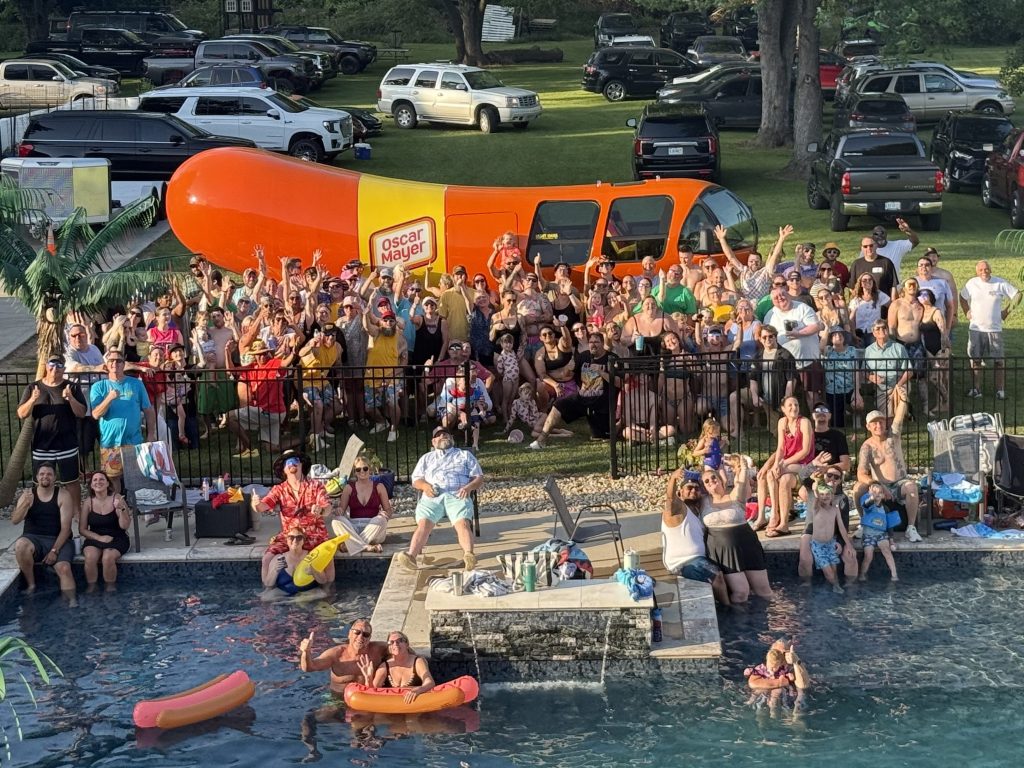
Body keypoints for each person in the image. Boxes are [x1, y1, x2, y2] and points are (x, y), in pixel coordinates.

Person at [396, 426, 485, 572]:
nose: (443, 436)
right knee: (424, 523)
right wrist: (425, 486)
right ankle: (411, 557)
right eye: (439, 435)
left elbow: (479, 477)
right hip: (433, 495)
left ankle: (469, 555)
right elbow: (415, 480)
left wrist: (468, 488)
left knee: (462, 523)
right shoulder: (426, 458)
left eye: (446, 434)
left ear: (452, 438)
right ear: (433, 441)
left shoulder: (464, 455)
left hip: (457, 494)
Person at [17, 354, 88, 517]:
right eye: (52, 364)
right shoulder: (33, 388)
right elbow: (21, 413)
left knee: (71, 482)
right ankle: (40, 514)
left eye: (59, 365)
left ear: (63, 369)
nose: (55, 368)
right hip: (42, 446)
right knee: (41, 482)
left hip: (67, 445)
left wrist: (70, 398)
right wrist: (32, 400)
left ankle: (76, 513)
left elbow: (82, 413)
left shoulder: (71, 387)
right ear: (46, 366)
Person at [699, 460, 772, 603]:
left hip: (748, 546)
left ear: (721, 480)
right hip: (724, 552)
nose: (711, 481)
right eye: (706, 481)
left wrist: (743, 467)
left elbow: (741, 483)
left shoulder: (734, 497)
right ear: (704, 487)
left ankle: (778, 619)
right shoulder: (702, 502)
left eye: (714, 477)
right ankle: (739, 623)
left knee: (764, 591)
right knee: (741, 593)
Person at [253, 450, 331, 573]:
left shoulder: (316, 486)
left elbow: (327, 508)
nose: (292, 464)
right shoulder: (279, 490)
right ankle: (268, 589)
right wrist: (256, 504)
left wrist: (321, 510)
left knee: (327, 561)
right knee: (267, 559)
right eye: (288, 462)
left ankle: (329, 590)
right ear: (284, 469)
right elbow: (262, 507)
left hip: (315, 536)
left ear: (301, 465)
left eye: (295, 461)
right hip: (290, 537)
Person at [90, 349, 156, 493]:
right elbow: (95, 414)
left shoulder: (136, 384)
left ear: (124, 364)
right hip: (110, 443)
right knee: (113, 481)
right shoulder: (98, 387)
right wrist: (109, 398)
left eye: (119, 361)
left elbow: (149, 411)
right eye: (111, 361)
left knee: (137, 478)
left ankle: (137, 510)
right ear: (106, 365)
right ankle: (119, 510)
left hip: (134, 442)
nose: (115, 364)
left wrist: (151, 434)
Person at [529, 332, 612, 448]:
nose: (593, 345)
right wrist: (568, 368)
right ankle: (541, 440)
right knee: (558, 405)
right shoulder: (584, 356)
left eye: (596, 342)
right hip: (583, 397)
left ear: (603, 343)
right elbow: (567, 374)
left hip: (602, 402)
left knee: (602, 437)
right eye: (591, 342)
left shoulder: (611, 359)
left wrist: (601, 372)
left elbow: (618, 382)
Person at [662, 470, 729, 604]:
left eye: (697, 488)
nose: (693, 491)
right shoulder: (676, 511)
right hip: (683, 562)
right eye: (689, 488)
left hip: (699, 559)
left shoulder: (698, 513)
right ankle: (729, 610)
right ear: (680, 492)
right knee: (718, 577)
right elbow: (670, 500)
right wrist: (673, 479)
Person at [853, 410, 922, 542]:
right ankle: (863, 523)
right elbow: (860, 473)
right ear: (868, 426)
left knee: (912, 487)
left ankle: (911, 528)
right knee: (857, 488)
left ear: (885, 423)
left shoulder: (893, 436)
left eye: (881, 421)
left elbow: (900, 416)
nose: (878, 425)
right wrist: (876, 484)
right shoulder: (867, 446)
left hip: (899, 483)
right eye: (874, 423)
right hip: (879, 485)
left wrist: (902, 398)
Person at [960, 259, 1021, 399]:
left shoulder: (999, 283)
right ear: (976, 272)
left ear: (990, 270)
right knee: (975, 360)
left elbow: (1018, 295)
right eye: (981, 270)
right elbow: (962, 297)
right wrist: (966, 312)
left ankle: (1000, 391)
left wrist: (1006, 312)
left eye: (986, 269)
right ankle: (976, 389)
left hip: (994, 329)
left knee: (998, 361)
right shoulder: (972, 283)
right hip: (975, 329)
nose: (984, 272)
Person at [225, 337, 295, 457]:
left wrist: (294, 352)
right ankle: (306, 440)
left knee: (229, 417)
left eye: (264, 353)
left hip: (269, 411)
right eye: (258, 355)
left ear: (267, 353)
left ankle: (249, 448)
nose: (262, 357)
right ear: (254, 356)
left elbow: (285, 363)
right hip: (271, 412)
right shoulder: (251, 367)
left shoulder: (273, 363)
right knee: (272, 448)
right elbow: (231, 370)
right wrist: (227, 351)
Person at [12, 464, 76, 594]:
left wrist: (54, 550)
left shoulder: (63, 495)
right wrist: (25, 504)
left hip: (59, 539)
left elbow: (66, 529)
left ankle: (71, 604)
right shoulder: (28, 495)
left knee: (64, 568)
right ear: (36, 477)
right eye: (42, 474)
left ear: (54, 478)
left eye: (49, 474)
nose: (45, 477)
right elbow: (15, 520)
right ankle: (31, 585)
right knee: (20, 545)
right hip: (33, 538)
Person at [755, 396, 814, 535]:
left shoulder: (804, 422)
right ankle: (766, 516)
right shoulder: (782, 422)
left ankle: (777, 518)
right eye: (790, 405)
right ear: (783, 409)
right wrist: (776, 464)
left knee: (774, 474)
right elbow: (780, 448)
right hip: (788, 463)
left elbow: (805, 451)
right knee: (766, 475)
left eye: (796, 404)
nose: (794, 407)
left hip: (804, 463)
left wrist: (784, 463)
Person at [763, 288, 823, 410]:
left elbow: (816, 326)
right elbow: (765, 334)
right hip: (785, 364)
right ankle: (786, 423)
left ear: (788, 294)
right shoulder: (770, 315)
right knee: (786, 396)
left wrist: (799, 333)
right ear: (772, 301)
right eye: (776, 297)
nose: (780, 298)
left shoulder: (802, 308)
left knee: (812, 395)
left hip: (808, 360)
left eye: (782, 294)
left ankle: (816, 422)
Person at [797, 467, 857, 583]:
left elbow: (843, 526)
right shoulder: (813, 488)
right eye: (829, 475)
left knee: (850, 557)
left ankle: (851, 588)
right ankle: (806, 584)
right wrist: (814, 464)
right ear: (824, 475)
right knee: (805, 558)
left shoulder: (842, 499)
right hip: (811, 531)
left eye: (836, 477)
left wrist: (840, 542)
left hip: (832, 533)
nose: (832, 479)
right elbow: (801, 474)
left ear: (840, 481)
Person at [298, 617, 389, 693]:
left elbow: (400, 647)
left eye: (365, 634)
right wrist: (306, 652)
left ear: (369, 638)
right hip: (337, 700)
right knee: (322, 715)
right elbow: (309, 667)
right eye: (357, 632)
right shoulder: (336, 654)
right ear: (349, 634)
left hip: (365, 699)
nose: (360, 637)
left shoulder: (378, 650)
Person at [79, 471, 131, 588]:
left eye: (102, 479)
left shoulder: (117, 498)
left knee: (107, 557)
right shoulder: (88, 502)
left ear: (108, 483)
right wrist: (99, 538)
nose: (98, 482)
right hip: (95, 537)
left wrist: (121, 509)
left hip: (117, 537)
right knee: (90, 557)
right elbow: (82, 530)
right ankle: (92, 588)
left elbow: (125, 526)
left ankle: (110, 588)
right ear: (91, 485)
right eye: (95, 480)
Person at [334, 456, 393, 551]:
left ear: (370, 469)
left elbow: (388, 511)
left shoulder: (379, 487)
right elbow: (342, 509)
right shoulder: (349, 488)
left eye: (365, 468)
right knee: (336, 521)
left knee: (381, 520)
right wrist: (339, 510)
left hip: (373, 529)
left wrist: (385, 514)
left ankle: (354, 545)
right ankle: (365, 546)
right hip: (354, 528)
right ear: (355, 472)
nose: (362, 471)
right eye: (358, 469)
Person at [862, 320, 910, 435]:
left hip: (899, 383)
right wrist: (871, 377)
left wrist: (898, 385)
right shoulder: (868, 351)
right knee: (886, 417)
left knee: (894, 414)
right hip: (881, 387)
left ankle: (899, 422)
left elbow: (909, 371)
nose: (881, 331)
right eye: (877, 329)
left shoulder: (898, 348)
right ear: (873, 333)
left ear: (888, 330)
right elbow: (864, 371)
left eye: (884, 328)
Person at [806, 481, 854, 593]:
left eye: (827, 494)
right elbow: (816, 497)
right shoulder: (817, 508)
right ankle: (836, 586)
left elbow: (841, 528)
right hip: (818, 546)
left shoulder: (835, 510)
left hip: (830, 544)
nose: (825, 497)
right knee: (828, 571)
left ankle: (832, 585)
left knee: (834, 569)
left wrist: (848, 544)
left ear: (832, 496)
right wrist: (815, 488)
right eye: (822, 494)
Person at [262, 525, 335, 597]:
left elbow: (323, 581)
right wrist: (275, 571)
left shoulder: (311, 557)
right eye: (291, 538)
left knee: (322, 594)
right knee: (265, 598)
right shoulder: (278, 558)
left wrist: (314, 571)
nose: (295, 541)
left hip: (308, 593)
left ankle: (291, 602)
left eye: (299, 538)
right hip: (284, 593)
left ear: (304, 540)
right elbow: (269, 584)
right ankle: (293, 602)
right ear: (286, 540)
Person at [372, 631, 437, 704]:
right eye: (391, 642)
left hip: (414, 704)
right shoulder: (384, 666)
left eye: (400, 641)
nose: (395, 644)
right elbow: (374, 689)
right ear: (389, 648)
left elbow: (430, 682)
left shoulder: (418, 662)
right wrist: (368, 677)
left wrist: (418, 690)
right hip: (391, 706)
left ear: (407, 644)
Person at [858, 482, 899, 582]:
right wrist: (871, 498)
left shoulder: (885, 508)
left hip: (881, 534)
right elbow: (866, 504)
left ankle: (894, 574)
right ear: (869, 493)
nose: (877, 495)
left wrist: (891, 540)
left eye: (880, 492)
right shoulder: (868, 507)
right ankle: (862, 574)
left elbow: (889, 526)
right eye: (874, 492)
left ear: (883, 495)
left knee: (886, 551)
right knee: (868, 555)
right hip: (868, 535)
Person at [746, 640, 810, 692]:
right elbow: (752, 683)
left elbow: (803, 685)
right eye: (776, 653)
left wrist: (796, 661)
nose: (780, 657)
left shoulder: (790, 668)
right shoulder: (764, 667)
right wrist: (779, 683)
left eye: (784, 653)